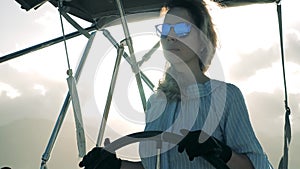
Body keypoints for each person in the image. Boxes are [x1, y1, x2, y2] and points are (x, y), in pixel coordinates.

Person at [79, 0, 274, 168]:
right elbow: (153, 166)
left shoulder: (226, 96)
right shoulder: (155, 102)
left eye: (181, 29)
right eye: (165, 30)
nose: (170, 36)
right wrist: (115, 164)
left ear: (202, 40)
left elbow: (257, 166)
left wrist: (221, 151)